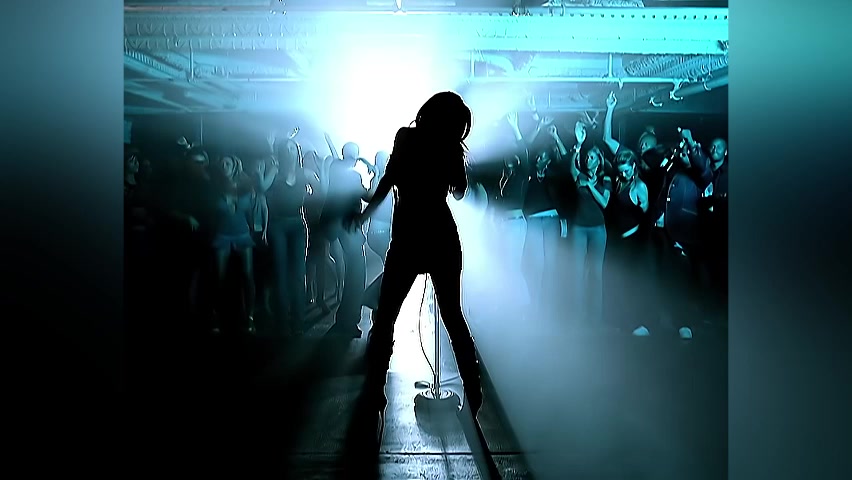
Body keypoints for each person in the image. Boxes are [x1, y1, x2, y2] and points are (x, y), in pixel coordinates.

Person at [348, 91, 483, 446]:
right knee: (453, 317)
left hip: (408, 235)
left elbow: (388, 180)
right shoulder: (450, 147)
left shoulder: (406, 138)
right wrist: (455, 157)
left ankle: (375, 391)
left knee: (386, 317)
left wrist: (365, 214)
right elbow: (460, 192)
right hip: (440, 235)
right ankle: (474, 393)